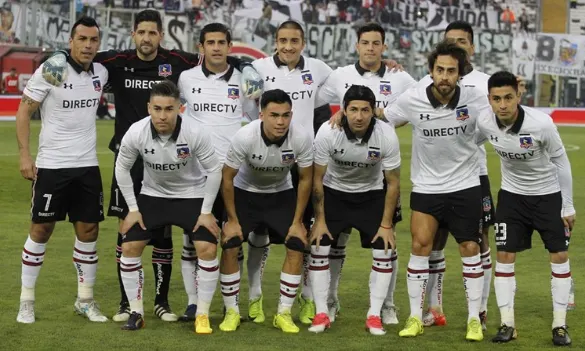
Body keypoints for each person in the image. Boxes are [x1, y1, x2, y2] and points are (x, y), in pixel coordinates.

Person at [42, 9, 263, 323]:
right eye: (141, 32)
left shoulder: (179, 62)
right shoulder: (115, 61)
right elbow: (84, 53)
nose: (146, 38)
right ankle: (126, 303)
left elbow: (216, 58)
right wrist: (61, 54)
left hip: (177, 159)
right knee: (128, 230)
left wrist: (244, 63)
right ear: (133, 33)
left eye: (152, 33)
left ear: (161, 35)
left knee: (171, 235)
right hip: (130, 155)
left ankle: (163, 301)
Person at [247, 20, 403, 325]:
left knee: (307, 235)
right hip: (265, 157)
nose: (288, 46)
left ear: (303, 43)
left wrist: (386, 65)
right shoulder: (254, 67)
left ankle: (309, 300)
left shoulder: (320, 69)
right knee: (259, 232)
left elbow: (354, 87)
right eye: (283, 40)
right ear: (275, 42)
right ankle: (254, 298)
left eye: (295, 40)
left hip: (303, 160)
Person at [380, 41, 492, 341]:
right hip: (427, 188)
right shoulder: (413, 98)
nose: (444, 76)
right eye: (439, 70)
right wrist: (344, 116)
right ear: (431, 71)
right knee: (420, 247)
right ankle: (416, 317)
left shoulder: (475, 99)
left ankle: (472, 319)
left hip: (466, 186)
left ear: (460, 73)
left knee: (470, 248)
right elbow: (384, 118)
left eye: (451, 71)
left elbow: (498, 120)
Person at [315, 22, 416, 325]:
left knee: (388, 240)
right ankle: (329, 301)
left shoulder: (401, 77)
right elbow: (314, 100)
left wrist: (389, 121)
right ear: (357, 46)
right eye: (365, 42)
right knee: (334, 241)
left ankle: (386, 305)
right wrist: (338, 116)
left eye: (376, 43)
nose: (371, 48)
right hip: (340, 174)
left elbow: (421, 102)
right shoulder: (339, 75)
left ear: (384, 47)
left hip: (378, 169)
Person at [15, 16, 109, 324]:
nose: (87, 45)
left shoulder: (101, 72)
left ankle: (85, 300)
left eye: (93, 40)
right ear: (71, 41)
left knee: (89, 231)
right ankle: (26, 301)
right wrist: (25, 156)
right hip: (53, 166)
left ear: (99, 43)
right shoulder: (53, 68)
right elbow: (24, 110)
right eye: (81, 39)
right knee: (41, 230)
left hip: (86, 167)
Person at [114, 80, 222, 332]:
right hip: (153, 195)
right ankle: (136, 312)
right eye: (157, 109)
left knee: (206, 248)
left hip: (191, 195)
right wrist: (132, 208)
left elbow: (214, 171)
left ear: (179, 109)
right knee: (129, 246)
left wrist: (206, 213)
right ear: (149, 108)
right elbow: (122, 168)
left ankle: (202, 315)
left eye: (169, 109)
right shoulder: (136, 131)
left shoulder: (195, 132)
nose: (163, 115)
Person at [476, 71, 574, 346]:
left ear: (518, 96)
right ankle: (508, 324)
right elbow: (467, 144)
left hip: (548, 196)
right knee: (504, 256)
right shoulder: (485, 121)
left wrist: (567, 205)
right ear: (489, 100)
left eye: (508, 97)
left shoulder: (541, 124)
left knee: (559, 255)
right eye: (496, 99)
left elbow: (562, 162)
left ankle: (559, 326)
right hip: (511, 198)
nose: (503, 104)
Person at [416, 21, 495, 329]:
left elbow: (500, 120)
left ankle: (482, 310)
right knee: (434, 240)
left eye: (462, 41)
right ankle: (435, 308)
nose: (457, 45)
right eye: (451, 41)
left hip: (474, 175)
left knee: (478, 241)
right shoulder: (431, 79)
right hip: (435, 179)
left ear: (471, 47)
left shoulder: (486, 82)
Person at [219, 89, 314, 333]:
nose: (280, 122)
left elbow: (305, 179)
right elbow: (227, 178)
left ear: (291, 115)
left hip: (280, 194)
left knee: (296, 243)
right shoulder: (244, 136)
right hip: (245, 193)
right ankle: (232, 311)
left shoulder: (301, 137)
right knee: (230, 243)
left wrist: (297, 221)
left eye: (285, 115)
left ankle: (283, 313)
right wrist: (231, 219)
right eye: (274, 115)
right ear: (261, 115)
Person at [309, 85, 401, 335]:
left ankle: (374, 314)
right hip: (334, 194)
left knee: (384, 249)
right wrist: (319, 220)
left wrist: (386, 225)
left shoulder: (386, 135)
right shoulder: (328, 131)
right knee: (319, 245)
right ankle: (322, 310)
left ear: (373, 112)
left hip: (371, 195)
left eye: (365, 110)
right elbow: (317, 179)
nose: (359, 116)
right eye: (353, 110)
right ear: (343, 110)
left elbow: (393, 182)